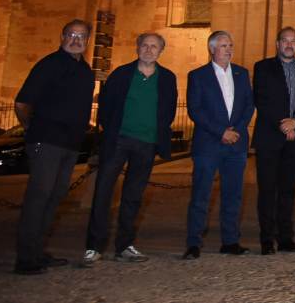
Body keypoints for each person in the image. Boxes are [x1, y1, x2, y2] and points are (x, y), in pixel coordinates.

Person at [83, 32, 178, 267]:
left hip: (146, 143)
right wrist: (112, 128)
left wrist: (158, 134)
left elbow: (169, 109)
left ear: (160, 51)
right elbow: (105, 105)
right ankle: (94, 246)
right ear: (137, 48)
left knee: (133, 197)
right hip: (119, 140)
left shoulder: (167, 77)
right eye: (144, 45)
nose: (148, 50)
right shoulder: (122, 74)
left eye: (154, 46)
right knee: (103, 192)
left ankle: (124, 245)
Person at [13, 19, 96, 274]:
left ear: (87, 41)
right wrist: (33, 131)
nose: (76, 40)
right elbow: (22, 104)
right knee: (39, 198)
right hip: (46, 141)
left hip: (70, 145)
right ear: (62, 36)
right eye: (71, 34)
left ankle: (38, 251)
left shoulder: (85, 71)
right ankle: (26, 258)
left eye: (81, 36)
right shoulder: (48, 65)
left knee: (55, 198)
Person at [184, 30, 255, 259]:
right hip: (208, 144)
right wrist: (220, 131)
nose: (228, 49)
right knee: (201, 194)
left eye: (230, 45)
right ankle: (194, 242)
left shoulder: (242, 73)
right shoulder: (198, 75)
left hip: (236, 144)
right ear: (212, 48)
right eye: (224, 45)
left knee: (233, 195)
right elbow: (195, 110)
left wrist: (237, 130)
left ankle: (230, 241)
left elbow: (248, 105)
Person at [252, 26, 295, 254]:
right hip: (269, 136)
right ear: (277, 43)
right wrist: (283, 124)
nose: (289, 45)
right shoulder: (263, 67)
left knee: (289, 190)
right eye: (285, 40)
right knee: (267, 189)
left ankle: (286, 237)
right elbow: (261, 99)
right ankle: (267, 239)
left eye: (294, 41)